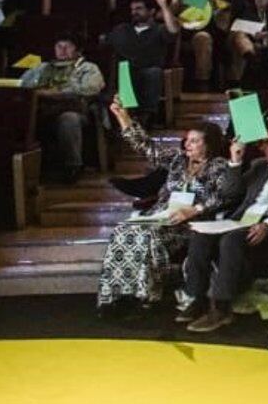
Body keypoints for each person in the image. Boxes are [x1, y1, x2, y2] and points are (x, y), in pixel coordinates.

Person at [95, 102, 238, 314]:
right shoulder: (177, 161)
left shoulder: (218, 166)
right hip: (160, 214)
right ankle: (115, 295)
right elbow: (145, 146)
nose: (187, 145)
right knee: (122, 232)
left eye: (195, 141)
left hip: (188, 223)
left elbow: (223, 196)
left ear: (208, 144)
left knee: (146, 237)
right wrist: (122, 117)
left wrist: (196, 209)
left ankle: (144, 295)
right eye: (187, 140)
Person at [178, 127, 268, 335]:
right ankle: (197, 298)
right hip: (242, 220)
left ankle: (221, 307)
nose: (263, 147)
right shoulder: (259, 166)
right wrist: (235, 162)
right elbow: (230, 193)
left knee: (231, 240)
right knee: (200, 235)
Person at [17, 34, 104, 179]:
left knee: (68, 119)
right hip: (39, 110)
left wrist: (52, 93)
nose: (62, 50)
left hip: (74, 109)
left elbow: (91, 89)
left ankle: (73, 167)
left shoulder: (87, 67)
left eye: (67, 46)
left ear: (77, 51)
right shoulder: (43, 67)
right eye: (59, 46)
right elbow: (22, 85)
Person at [101, 0, 178, 120]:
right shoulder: (122, 29)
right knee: (121, 70)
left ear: (152, 11)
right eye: (132, 9)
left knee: (153, 73)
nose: (134, 12)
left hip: (149, 68)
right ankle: (124, 116)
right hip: (125, 71)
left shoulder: (159, 29)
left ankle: (146, 116)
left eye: (139, 9)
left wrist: (164, 6)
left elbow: (174, 30)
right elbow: (104, 44)